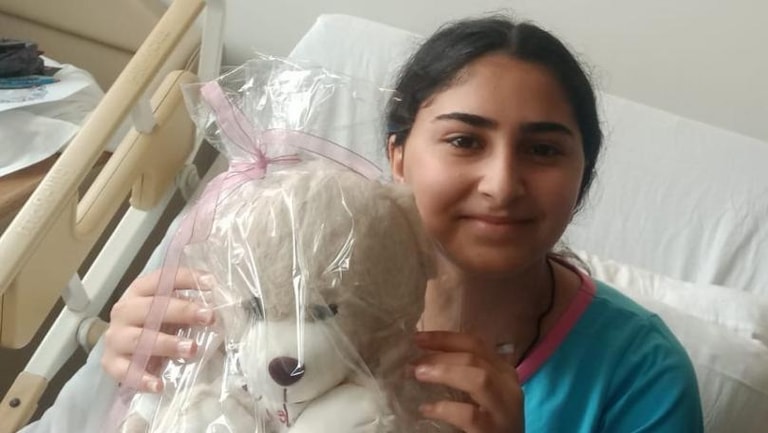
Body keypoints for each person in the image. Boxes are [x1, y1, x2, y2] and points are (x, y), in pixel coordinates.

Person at [99, 16, 703, 433]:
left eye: (543, 150)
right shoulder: (274, 291)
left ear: (583, 174)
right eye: (464, 141)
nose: (501, 184)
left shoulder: (640, 373)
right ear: (398, 157)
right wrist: (152, 361)